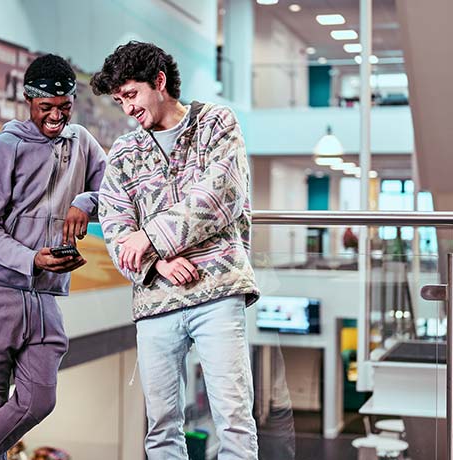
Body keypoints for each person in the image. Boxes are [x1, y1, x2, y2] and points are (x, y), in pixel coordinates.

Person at [91, 41, 260, 459]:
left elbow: (222, 194)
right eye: (119, 100)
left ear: (159, 82)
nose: (127, 109)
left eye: (130, 95)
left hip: (218, 292)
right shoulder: (125, 153)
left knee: (234, 419)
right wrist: (159, 263)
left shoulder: (216, 123)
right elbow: (115, 229)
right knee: (162, 427)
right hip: (155, 302)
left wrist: (150, 238)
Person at [0, 53, 106, 460]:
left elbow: (115, 193)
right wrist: (33, 259)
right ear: (28, 100)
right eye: (46, 108)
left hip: (45, 296)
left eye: (64, 107)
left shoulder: (83, 144)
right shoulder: (2, 148)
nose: (56, 117)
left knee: (39, 398)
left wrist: (85, 201)